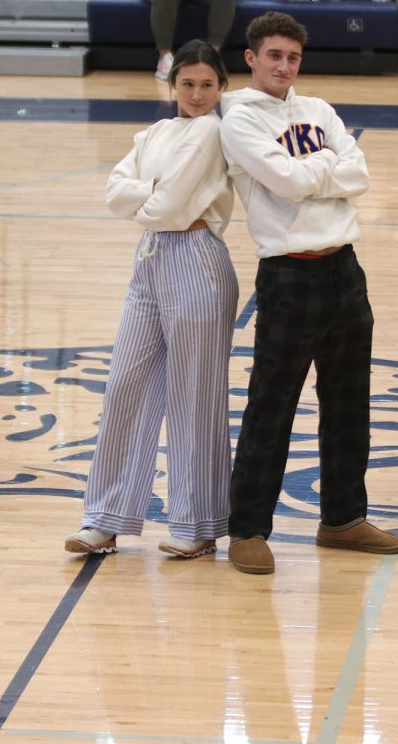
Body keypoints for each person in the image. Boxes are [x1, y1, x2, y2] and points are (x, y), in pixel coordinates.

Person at [219, 11, 398, 575]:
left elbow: (360, 174)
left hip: (345, 269)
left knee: (349, 404)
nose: (284, 66)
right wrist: (327, 165)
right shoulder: (239, 120)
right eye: (273, 55)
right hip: (288, 277)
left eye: (293, 57)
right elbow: (293, 182)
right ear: (251, 57)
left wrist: (313, 171)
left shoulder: (318, 110)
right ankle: (247, 528)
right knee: (270, 409)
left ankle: (343, 519)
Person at [65, 40, 239, 559]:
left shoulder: (214, 131)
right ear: (172, 85)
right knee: (125, 382)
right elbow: (116, 191)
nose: (198, 93)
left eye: (208, 84)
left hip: (199, 259)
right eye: (188, 83)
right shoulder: (155, 133)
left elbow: (162, 202)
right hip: (150, 259)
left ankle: (198, 523)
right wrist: (154, 196)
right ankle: (105, 517)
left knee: (195, 394)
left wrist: (151, 195)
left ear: (221, 86)